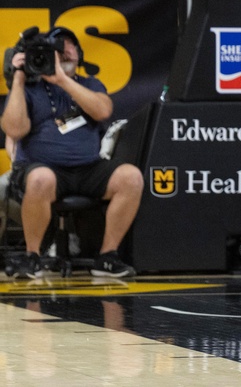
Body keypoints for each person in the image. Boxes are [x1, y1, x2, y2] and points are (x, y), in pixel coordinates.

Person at [0, 27, 143, 279]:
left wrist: (62, 80)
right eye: (58, 45)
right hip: (41, 168)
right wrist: (18, 80)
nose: (64, 50)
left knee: (131, 177)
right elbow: (14, 128)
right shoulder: (30, 89)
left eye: (70, 46)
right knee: (41, 178)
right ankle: (33, 256)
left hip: (88, 168)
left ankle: (107, 257)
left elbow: (103, 111)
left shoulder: (89, 84)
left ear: (79, 54)